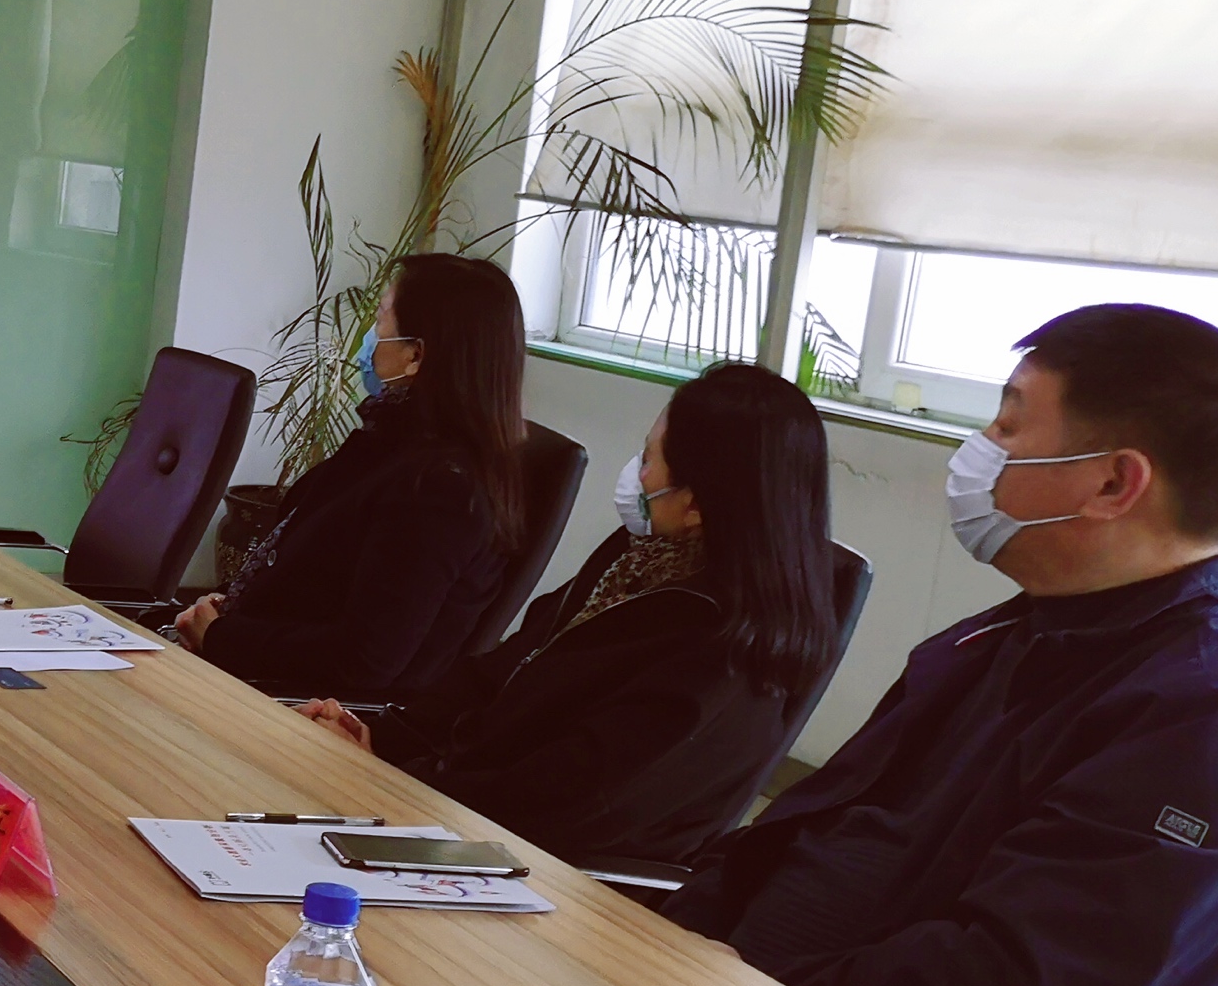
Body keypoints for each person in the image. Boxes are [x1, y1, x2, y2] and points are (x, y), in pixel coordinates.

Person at [666, 304, 1218, 986]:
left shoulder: (1198, 710)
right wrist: (676, 943)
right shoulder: (1006, 634)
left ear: (1114, 484)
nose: (979, 449)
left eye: (1008, 423)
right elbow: (810, 825)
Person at [298, 362, 838, 864]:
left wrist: (403, 778)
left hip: (534, 869)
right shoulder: (636, 562)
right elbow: (508, 665)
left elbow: (566, 799)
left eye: (649, 459)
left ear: (696, 503)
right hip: (458, 807)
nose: (638, 475)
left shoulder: (720, 653)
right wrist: (379, 736)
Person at [173, 252, 529, 701]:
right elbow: (304, 568)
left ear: (415, 355)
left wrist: (224, 637)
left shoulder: (441, 491)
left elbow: (365, 659)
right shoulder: (388, 443)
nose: (368, 339)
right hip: (248, 670)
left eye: (380, 321)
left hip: (295, 707)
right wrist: (223, 612)